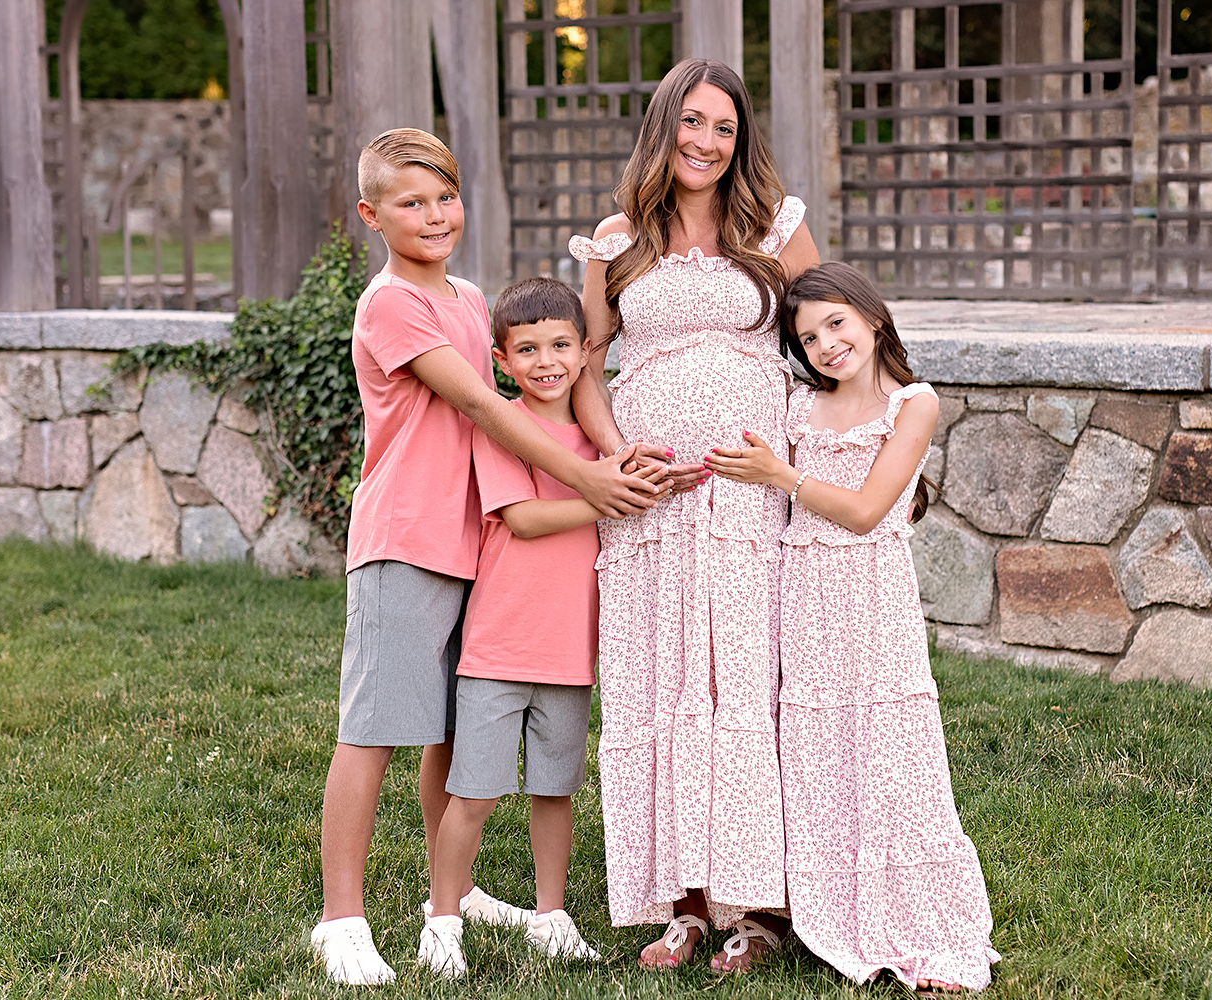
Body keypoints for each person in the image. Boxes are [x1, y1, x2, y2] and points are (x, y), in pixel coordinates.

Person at [309, 129, 662, 986]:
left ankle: (454, 891)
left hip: (475, 545)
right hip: (406, 540)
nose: (434, 216)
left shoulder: (470, 299)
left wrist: (613, 450)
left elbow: (539, 386)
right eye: (411, 203)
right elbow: (480, 404)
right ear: (371, 216)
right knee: (375, 731)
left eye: (446, 198)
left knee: (449, 727)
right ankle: (340, 919)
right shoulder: (391, 304)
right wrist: (586, 479)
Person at [567, 58, 818, 972]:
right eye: (692, 122)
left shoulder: (774, 226)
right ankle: (684, 902)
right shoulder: (617, 240)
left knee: (742, 677)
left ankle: (759, 904)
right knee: (661, 680)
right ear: (663, 124)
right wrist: (616, 456)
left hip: (749, 488)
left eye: (725, 127)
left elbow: (829, 339)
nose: (706, 142)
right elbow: (587, 366)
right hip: (652, 502)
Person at [705, 261, 1001, 993]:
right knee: (814, 752)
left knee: (888, 753)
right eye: (808, 338)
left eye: (836, 323)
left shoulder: (913, 404)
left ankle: (918, 918)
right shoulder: (799, 405)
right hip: (800, 595)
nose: (826, 345)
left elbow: (868, 511)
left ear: (871, 317)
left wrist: (782, 476)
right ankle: (818, 905)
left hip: (870, 599)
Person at [419, 277, 616, 978]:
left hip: (570, 652)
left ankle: (550, 916)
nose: (546, 361)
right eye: (527, 349)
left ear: (584, 352)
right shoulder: (502, 424)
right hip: (499, 648)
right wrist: (609, 497)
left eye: (560, 345)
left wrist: (629, 479)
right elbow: (524, 520)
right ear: (501, 360)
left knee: (554, 791)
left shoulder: (602, 440)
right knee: (474, 792)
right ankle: (444, 918)